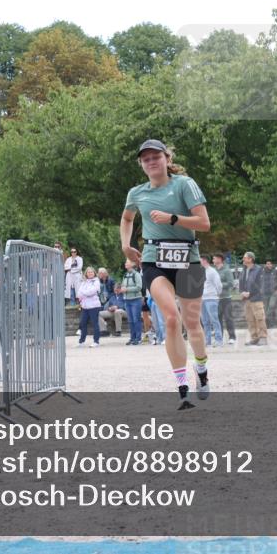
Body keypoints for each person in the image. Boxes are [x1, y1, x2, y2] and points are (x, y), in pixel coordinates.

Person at [120, 139, 211, 409]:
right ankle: (182, 387)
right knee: (171, 318)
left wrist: (173, 218)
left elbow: (204, 223)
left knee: (192, 323)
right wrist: (125, 245)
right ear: (141, 164)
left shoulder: (184, 184)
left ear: (167, 159)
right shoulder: (136, 193)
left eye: (156, 157)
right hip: (154, 260)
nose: (151, 162)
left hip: (187, 260)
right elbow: (127, 218)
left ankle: (202, 368)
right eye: (146, 159)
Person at [238, 252, 269, 346]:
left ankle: (263, 338)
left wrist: (250, 293)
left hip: (256, 298)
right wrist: (242, 292)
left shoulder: (258, 270)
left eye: (245, 258)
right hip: (247, 299)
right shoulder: (244, 270)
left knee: (260, 318)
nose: (243, 259)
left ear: (250, 259)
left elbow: (261, 285)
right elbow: (241, 283)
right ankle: (254, 338)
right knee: (250, 320)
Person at [117, 259, 144, 346]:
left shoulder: (136, 274)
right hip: (127, 300)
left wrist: (127, 289)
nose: (125, 263)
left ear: (132, 264)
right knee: (131, 320)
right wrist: (121, 289)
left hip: (136, 300)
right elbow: (123, 285)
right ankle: (132, 338)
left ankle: (138, 339)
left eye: (127, 262)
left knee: (136, 319)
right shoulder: (125, 275)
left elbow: (139, 287)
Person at [213, 254, 237, 344]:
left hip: (226, 298)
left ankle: (232, 337)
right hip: (216, 299)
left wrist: (219, 285)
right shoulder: (213, 271)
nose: (213, 260)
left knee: (228, 318)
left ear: (219, 259)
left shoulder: (227, 270)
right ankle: (220, 338)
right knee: (217, 319)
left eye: (214, 258)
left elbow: (231, 283)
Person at [76, 267, 102, 347]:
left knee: (95, 323)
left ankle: (96, 341)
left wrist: (84, 293)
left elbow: (92, 292)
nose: (90, 273)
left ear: (94, 273)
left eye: (91, 272)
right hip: (85, 306)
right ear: (86, 274)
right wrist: (84, 293)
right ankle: (81, 341)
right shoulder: (84, 282)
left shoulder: (96, 281)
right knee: (83, 323)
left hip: (94, 306)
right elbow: (78, 293)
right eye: (88, 272)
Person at [200, 255, 224, 346]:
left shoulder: (212, 271)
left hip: (211, 299)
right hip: (202, 299)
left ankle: (219, 340)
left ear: (205, 261)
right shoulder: (201, 271)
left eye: (200, 260)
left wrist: (217, 294)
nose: (199, 262)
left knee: (214, 320)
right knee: (205, 321)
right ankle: (208, 341)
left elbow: (218, 284)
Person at [96, 267, 125, 338]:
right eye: (115, 289)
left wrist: (117, 307)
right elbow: (110, 304)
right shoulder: (112, 296)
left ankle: (118, 331)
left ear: (120, 289)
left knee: (117, 311)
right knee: (98, 313)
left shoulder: (124, 296)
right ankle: (103, 330)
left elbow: (126, 305)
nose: (116, 291)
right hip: (112, 311)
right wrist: (109, 308)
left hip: (122, 311)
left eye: (117, 289)